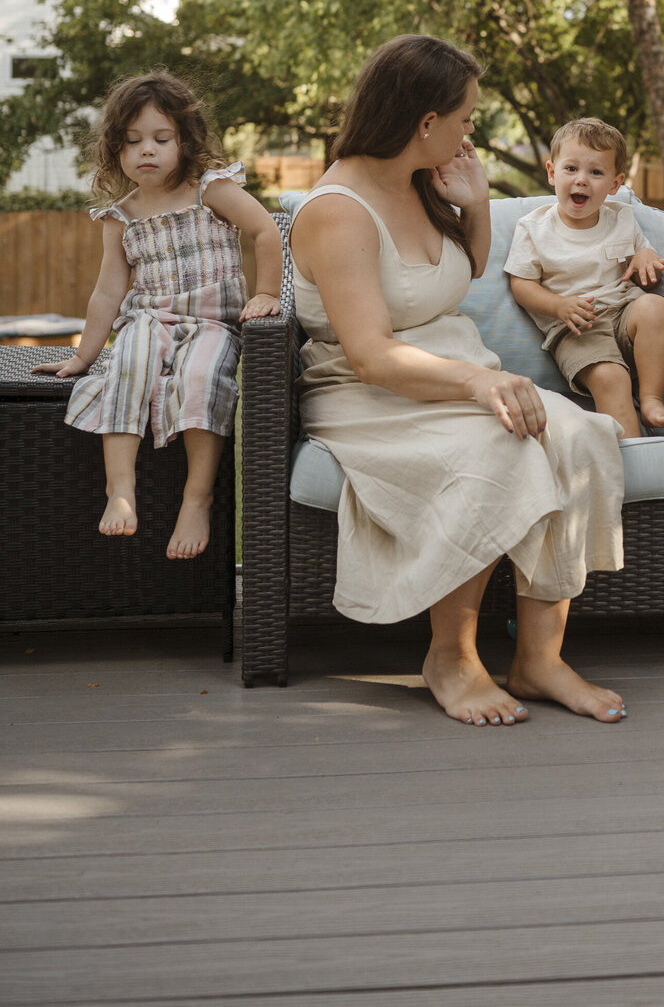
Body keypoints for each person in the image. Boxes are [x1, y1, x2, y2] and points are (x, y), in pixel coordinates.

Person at [288, 36, 628, 728]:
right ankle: (451, 655)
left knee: (585, 433)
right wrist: (476, 383)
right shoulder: (338, 211)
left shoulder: (419, 180)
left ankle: (538, 656)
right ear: (426, 122)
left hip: (458, 370)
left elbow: (462, 271)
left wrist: (474, 204)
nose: (472, 131)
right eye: (467, 118)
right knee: (499, 447)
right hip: (372, 395)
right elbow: (371, 355)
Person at [34, 71, 282, 558]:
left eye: (160, 139)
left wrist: (268, 292)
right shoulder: (119, 215)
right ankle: (120, 489)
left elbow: (266, 231)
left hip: (213, 321)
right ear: (115, 149)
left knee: (202, 376)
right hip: (148, 318)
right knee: (126, 366)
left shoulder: (208, 189)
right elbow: (108, 292)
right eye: (132, 141)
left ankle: (197, 497)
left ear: (184, 141)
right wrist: (84, 356)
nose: (146, 150)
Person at [505, 117, 664, 438]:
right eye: (571, 169)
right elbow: (521, 284)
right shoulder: (534, 228)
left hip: (623, 313)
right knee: (612, 378)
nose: (582, 180)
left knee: (654, 306)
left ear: (615, 184)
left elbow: (644, 254)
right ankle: (635, 451)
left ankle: (653, 400)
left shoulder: (622, 218)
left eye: (596, 172)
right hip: (577, 326)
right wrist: (558, 306)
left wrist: (645, 256)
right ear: (551, 172)